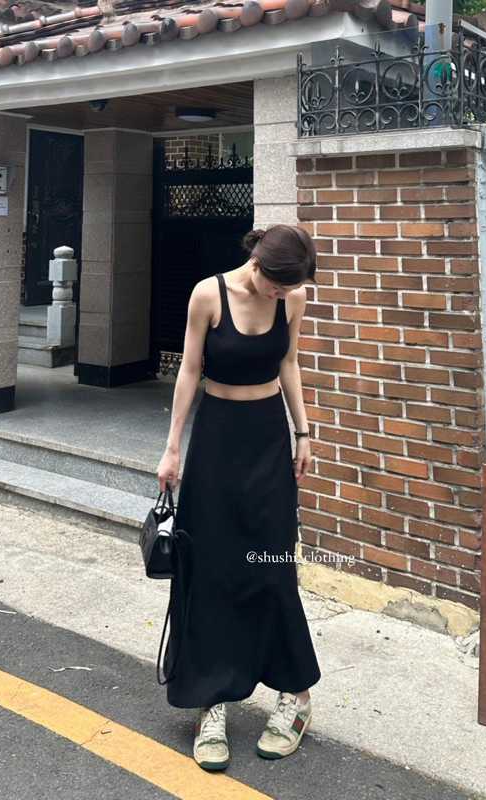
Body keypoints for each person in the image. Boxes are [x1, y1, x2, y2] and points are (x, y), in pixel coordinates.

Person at [155, 224, 322, 771]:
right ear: (257, 266)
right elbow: (189, 371)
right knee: (211, 568)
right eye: (279, 286)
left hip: (268, 439)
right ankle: (212, 701)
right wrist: (172, 447)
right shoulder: (208, 294)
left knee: (272, 567)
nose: (284, 294)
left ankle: (295, 696)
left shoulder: (292, 297)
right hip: (216, 439)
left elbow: (289, 363)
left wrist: (303, 433)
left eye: (290, 288)